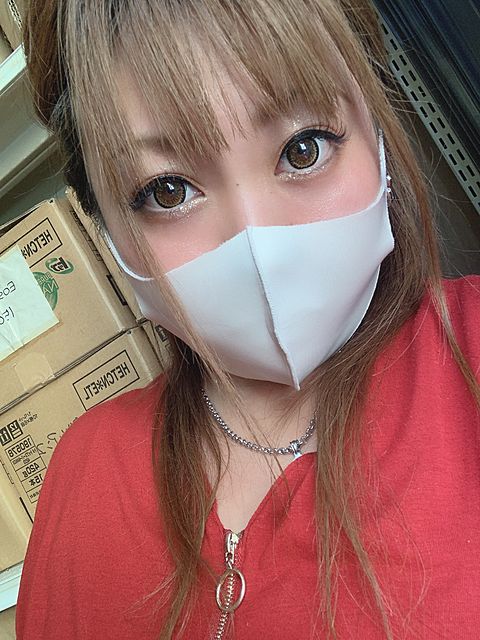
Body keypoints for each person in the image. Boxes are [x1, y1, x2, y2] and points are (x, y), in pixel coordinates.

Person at [16, 1, 480, 638]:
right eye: (167, 190)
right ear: (105, 227)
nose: (259, 244)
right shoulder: (87, 468)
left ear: (374, 129)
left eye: (304, 148)